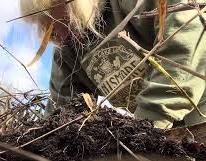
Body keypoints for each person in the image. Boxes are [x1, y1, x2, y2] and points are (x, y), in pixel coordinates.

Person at [19, 0, 206, 129]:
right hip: (151, 128)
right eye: (47, 27)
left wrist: (147, 126)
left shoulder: (132, 4)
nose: (56, 35)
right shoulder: (67, 51)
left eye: (56, 20)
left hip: (199, 104)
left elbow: (184, 50)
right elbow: (59, 115)